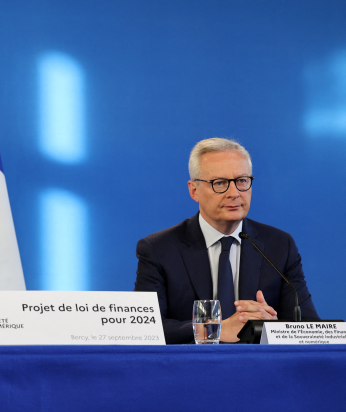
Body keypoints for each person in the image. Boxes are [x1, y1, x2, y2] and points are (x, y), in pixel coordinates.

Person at [134, 138, 319, 344]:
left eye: (242, 181)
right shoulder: (158, 249)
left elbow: (307, 326)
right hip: (189, 369)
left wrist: (273, 328)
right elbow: (146, 328)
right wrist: (214, 330)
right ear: (194, 190)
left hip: (259, 370)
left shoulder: (279, 245)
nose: (234, 193)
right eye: (219, 183)